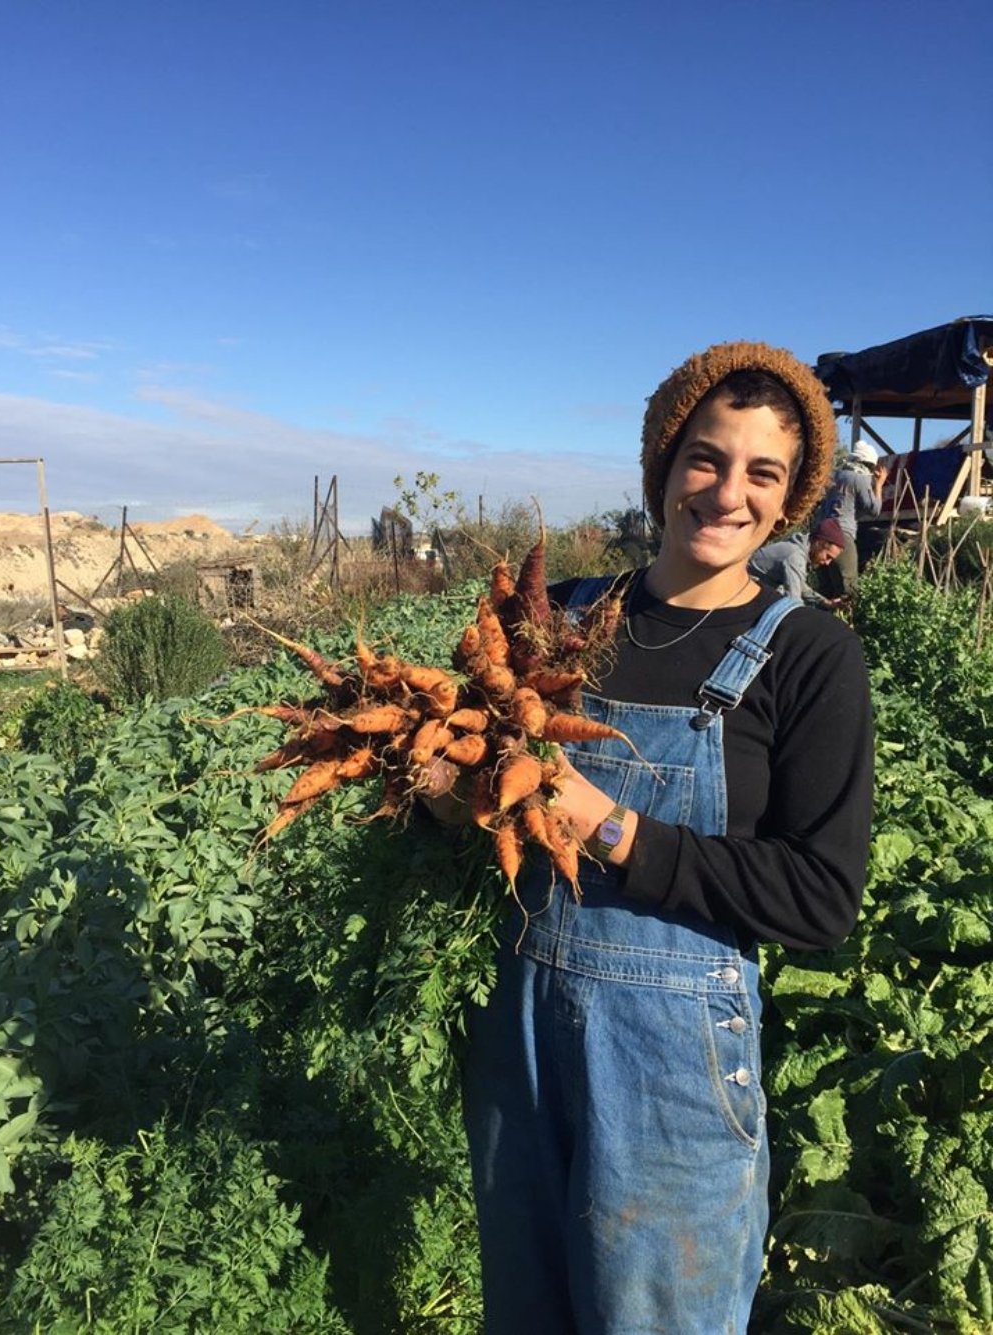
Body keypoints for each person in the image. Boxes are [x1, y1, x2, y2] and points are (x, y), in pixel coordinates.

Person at [457, 341, 874, 1333]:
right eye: (706, 457)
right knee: (527, 1308)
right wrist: (448, 788)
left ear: (787, 501)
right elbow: (476, 792)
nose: (727, 492)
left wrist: (609, 829)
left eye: (761, 473)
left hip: (671, 1068)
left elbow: (820, 897)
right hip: (516, 1035)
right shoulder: (554, 617)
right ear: (660, 464)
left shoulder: (806, 655)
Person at [815, 439, 889, 595]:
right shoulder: (859, 478)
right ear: (867, 463)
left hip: (821, 533)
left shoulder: (834, 475)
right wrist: (879, 484)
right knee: (848, 587)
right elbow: (874, 510)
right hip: (841, 534)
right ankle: (846, 619)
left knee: (826, 587)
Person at [748, 514, 846, 606]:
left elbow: (800, 586)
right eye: (828, 556)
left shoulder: (798, 551)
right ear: (819, 544)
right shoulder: (795, 556)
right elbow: (793, 600)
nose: (827, 563)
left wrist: (825, 602)